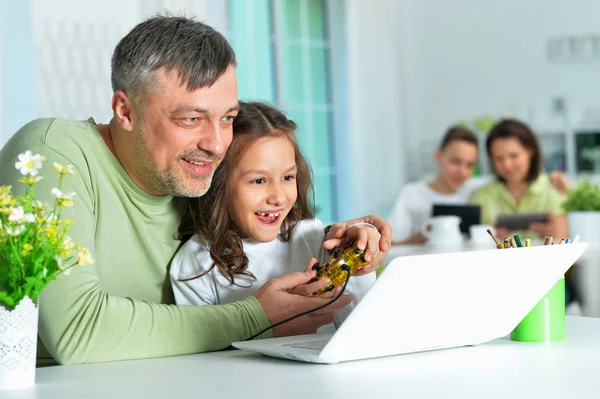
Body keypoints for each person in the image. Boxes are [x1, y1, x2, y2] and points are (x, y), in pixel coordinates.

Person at [0, 16, 391, 365]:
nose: (219, 144)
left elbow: (251, 239)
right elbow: (77, 331)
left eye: (228, 118)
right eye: (191, 118)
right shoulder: (52, 151)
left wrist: (337, 244)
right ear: (125, 111)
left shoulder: (191, 175)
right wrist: (256, 317)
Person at [170, 102, 376, 331]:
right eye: (258, 181)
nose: (278, 197)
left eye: (287, 178)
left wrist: (359, 261)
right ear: (219, 185)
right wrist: (270, 330)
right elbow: (200, 355)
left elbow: (362, 328)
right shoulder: (196, 264)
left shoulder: (311, 236)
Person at [470, 118, 568, 240]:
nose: (507, 165)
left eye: (514, 156)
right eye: (499, 158)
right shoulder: (481, 197)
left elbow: (564, 240)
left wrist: (554, 234)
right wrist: (491, 240)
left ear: (530, 151)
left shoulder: (554, 188)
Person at [387, 126, 479, 244]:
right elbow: (390, 245)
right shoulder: (411, 194)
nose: (462, 172)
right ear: (438, 156)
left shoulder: (477, 192)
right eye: (456, 162)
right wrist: (420, 238)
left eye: (469, 165)